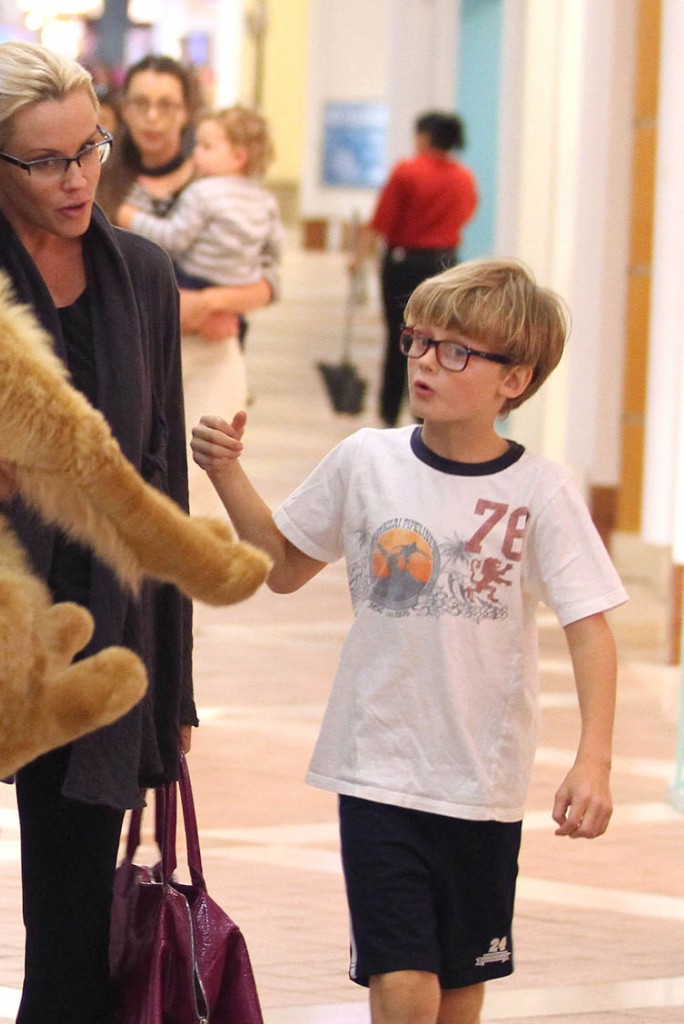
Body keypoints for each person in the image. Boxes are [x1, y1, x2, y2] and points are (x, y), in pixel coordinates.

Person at [190, 258, 626, 1024]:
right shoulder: (367, 460)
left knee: (458, 993)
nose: (425, 361)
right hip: (378, 766)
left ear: (513, 381)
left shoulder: (541, 491)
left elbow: (589, 627)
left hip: (483, 782)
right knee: (403, 983)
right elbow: (285, 567)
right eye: (419, 341)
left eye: (455, 351)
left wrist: (593, 759)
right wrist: (228, 475)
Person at [0, 39, 195, 1023]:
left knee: (71, 947)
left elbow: (158, 484)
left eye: (89, 150)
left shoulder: (142, 276)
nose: (77, 179)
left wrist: (173, 689)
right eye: (46, 160)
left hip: (95, 639)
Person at [97, 56, 276, 494]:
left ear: (187, 111)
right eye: (140, 103)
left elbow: (269, 279)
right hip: (122, 352)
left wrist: (210, 304)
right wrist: (174, 309)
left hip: (209, 351)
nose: (153, 117)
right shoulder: (97, 178)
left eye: (167, 105)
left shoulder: (220, 175)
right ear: (123, 107)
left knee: (204, 484)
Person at [115, 104, 283, 443]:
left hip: (194, 289)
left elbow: (173, 239)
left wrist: (131, 216)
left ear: (238, 156)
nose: (197, 154)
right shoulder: (265, 200)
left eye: (206, 147)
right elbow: (270, 259)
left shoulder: (201, 193)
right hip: (232, 295)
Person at [352, 111, 477, 427]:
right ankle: (426, 411)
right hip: (446, 264)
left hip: (404, 263)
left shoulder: (408, 172)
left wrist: (358, 258)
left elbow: (381, 221)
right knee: (437, 339)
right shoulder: (463, 178)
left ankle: (389, 412)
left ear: (424, 136)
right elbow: (467, 213)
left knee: (401, 337)